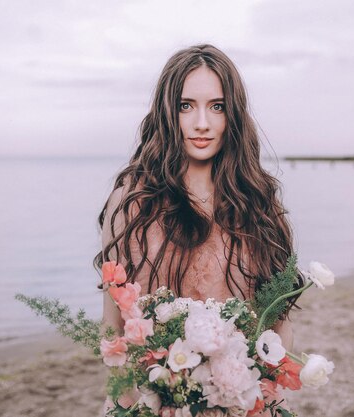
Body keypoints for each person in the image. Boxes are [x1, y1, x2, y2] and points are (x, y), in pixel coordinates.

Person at [93, 43, 303, 413]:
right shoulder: (133, 203)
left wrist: (266, 397)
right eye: (186, 105)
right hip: (156, 403)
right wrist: (126, 405)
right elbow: (113, 326)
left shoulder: (259, 204)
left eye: (217, 106)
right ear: (166, 113)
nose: (201, 122)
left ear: (232, 115)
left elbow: (277, 326)